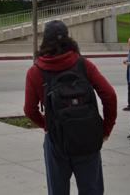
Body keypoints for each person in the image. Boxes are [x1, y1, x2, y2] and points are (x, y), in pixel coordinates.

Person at [24, 20, 117, 195]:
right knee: (92, 189)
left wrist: (47, 125)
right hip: (88, 136)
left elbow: (29, 109)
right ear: (68, 39)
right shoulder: (83, 64)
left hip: (57, 140)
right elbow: (109, 95)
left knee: (58, 190)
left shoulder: (36, 71)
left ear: (45, 40)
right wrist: (105, 129)